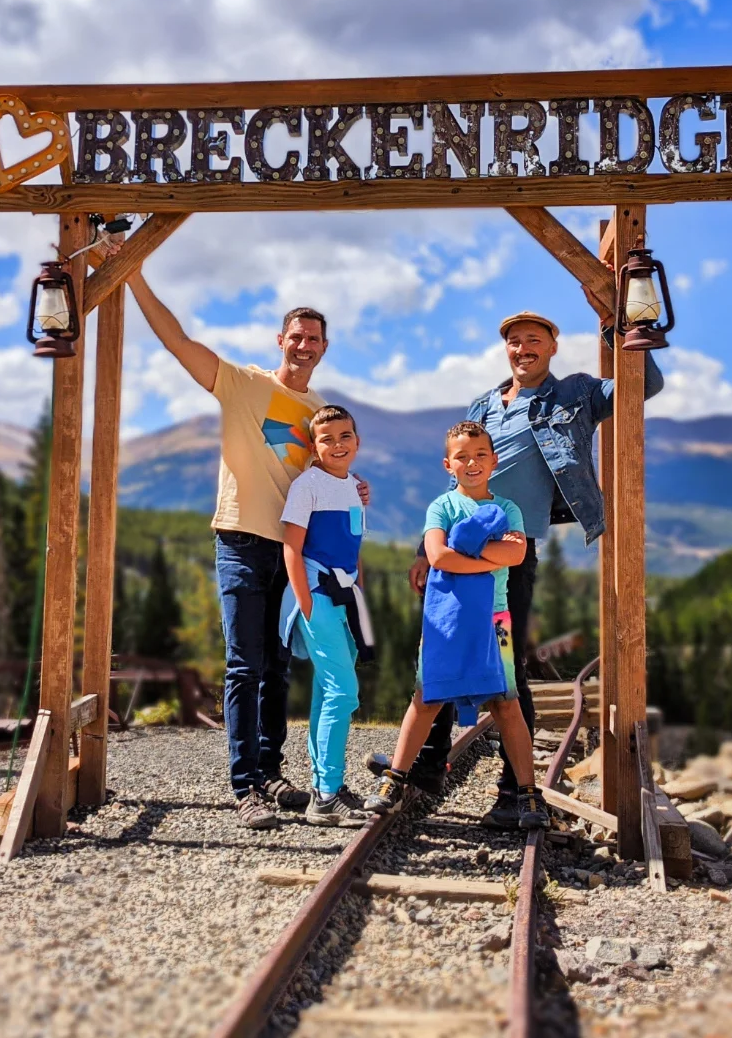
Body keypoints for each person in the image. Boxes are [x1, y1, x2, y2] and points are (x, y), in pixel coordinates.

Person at [368, 310, 663, 827]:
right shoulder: (484, 405)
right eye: (514, 341)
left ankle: (514, 792)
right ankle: (426, 771)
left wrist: (620, 328)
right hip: (456, 558)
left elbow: (645, 385)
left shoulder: (575, 394)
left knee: (509, 674)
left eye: (533, 340)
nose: (522, 348)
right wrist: (425, 550)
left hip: (512, 557)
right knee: (441, 663)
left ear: (552, 346)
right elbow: (455, 485)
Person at [134, 286, 367, 830]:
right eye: (295, 337)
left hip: (295, 551)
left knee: (279, 666)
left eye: (313, 339)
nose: (303, 346)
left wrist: (354, 489)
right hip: (240, 539)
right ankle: (246, 787)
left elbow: (327, 473)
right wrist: (135, 278)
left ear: (324, 347)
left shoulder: (318, 414)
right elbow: (176, 340)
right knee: (245, 664)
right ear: (279, 340)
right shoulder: (242, 383)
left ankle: (271, 770)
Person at [362, 422, 550, 830]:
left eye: (481, 455)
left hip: (494, 618)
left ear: (494, 460)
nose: (472, 463)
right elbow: (438, 556)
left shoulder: (509, 508)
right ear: (448, 464)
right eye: (462, 456)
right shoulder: (441, 507)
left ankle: (529, 794)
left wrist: (465, 551)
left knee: (506, 701)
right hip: (443, 619)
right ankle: (395, 779)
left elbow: (516, 556)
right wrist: (489, 558)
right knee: (427, 697)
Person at [278, 405, 372, 827]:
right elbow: (291, 548)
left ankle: (324, 784)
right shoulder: (306, 486)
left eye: (345, 436)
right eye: (327, 438)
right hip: (315, 597)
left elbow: (353, 547)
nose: (337, 444)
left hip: (345, 600)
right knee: (343, 690)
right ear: (314, 447)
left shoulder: (355, 486)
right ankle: (327, 796)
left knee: (327, 689)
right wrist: (308, 602)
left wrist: (359, 598)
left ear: (357, 440)